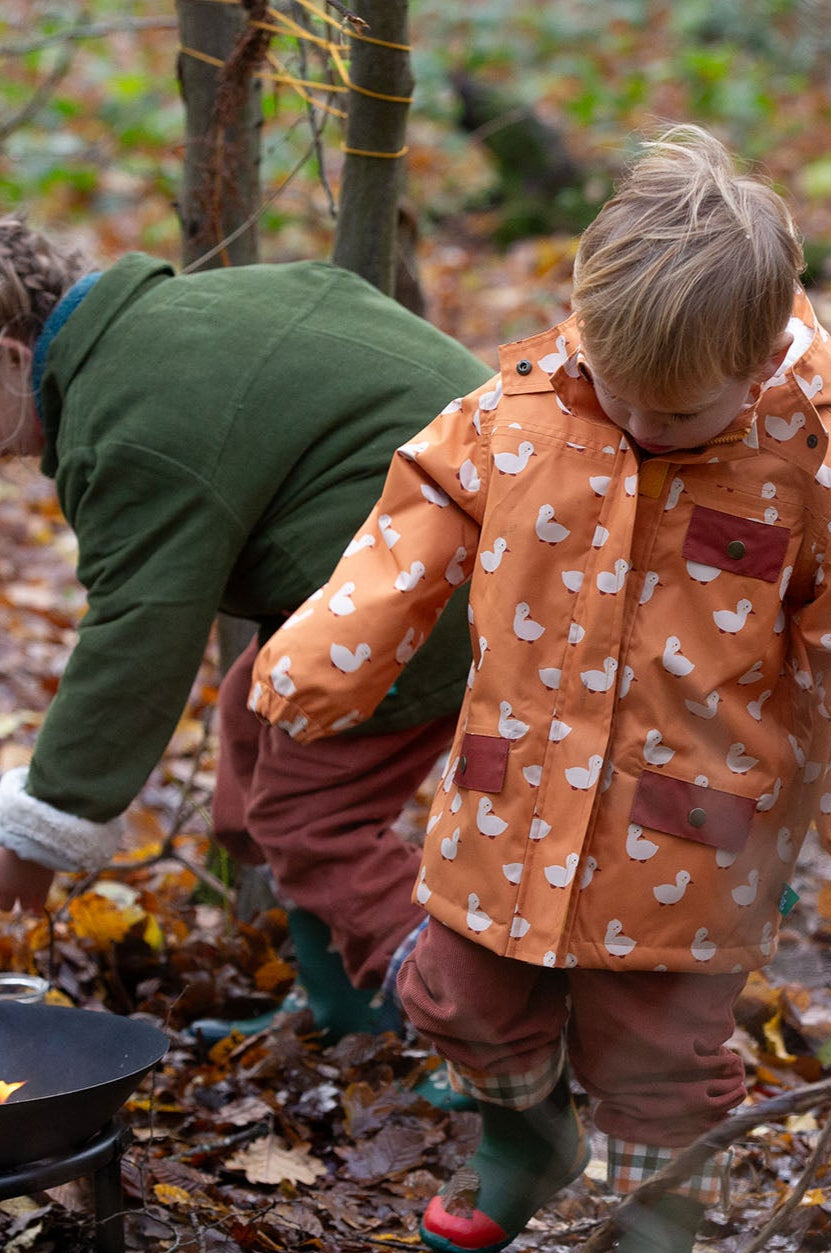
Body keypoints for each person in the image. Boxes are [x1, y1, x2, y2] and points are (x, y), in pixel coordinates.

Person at [247, 125, 831, 1253]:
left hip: (689, 828)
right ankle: (522, 1135)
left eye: (670, 409)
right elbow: (414, 523)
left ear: (752, 359)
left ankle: (653, 1232)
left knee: (662, 1052)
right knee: (460, 994)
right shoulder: (519, 407)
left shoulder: (812, 471)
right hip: (509, 797)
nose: (630, 416)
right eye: (610, 383)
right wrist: (323, 655)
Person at [0, 217, 491, 1049]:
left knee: (309, 819)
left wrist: (38, 834)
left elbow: (136, 637)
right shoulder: (170, 322)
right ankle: (339, 1009)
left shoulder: (129, 417)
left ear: (12, 357)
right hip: (457, 547)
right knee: (248, 726)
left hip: (454, 575)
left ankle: (486, 1042)